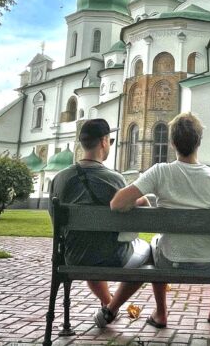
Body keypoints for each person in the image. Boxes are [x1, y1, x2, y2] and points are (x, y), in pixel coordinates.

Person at [100, 112, 210, 330]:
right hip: (209, 262)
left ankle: (161, 313)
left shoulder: (160, 172)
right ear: (199, 142)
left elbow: (117, 203)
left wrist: (138, 200)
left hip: (169, 260)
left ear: (172, 143)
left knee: (156, 245)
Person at [48, 119, 150, 311]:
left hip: (73, 257)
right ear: (103, 141)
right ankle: (112, 307)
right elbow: (130, 222)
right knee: (147, 254)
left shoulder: (59, 179)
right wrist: (142, 201)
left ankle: (108, 304)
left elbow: (56, 221)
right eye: (110, 140)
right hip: (112, 258)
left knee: (89, 245)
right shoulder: (114, 180)